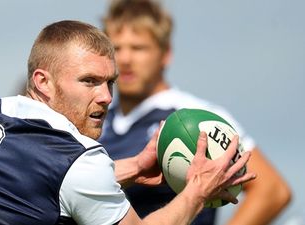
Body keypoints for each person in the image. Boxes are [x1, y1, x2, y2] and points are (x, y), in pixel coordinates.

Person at [0, 20, 255, 225]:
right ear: (43, 82)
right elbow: (72, 176)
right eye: (89, 81)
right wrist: (198, 190)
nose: (106, 97)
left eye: (109, 82)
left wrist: (135, 166)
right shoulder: (79, 160)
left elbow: (48, 182)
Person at [99, 1, 291, 225]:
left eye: (138, 48)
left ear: (165, 53)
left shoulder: (195, 117)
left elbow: (272, 190)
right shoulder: (96, 119)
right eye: (116, 48)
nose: (125, 59)